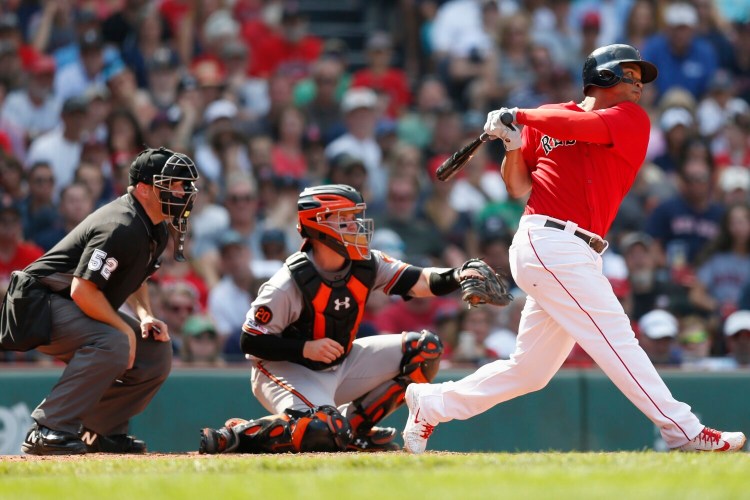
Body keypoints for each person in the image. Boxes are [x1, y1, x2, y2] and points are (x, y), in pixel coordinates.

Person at [401, 44, 746, 454]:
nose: (639, 85)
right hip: (547, 239)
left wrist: (521, 116)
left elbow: (583, 127)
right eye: (629, 75)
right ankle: (682, 429)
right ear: (600, 77)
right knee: (617, 337)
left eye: (640, 78)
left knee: (531, 371)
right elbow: (517, 187)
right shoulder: (550, 118)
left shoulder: (628, 119)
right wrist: (512, 143)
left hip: (577, 249)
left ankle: (432, 404)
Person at [198, 184, 482, 454]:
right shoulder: (288, 282)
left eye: (354, 218)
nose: (356, 226)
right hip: (286, 369)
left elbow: (418, 279)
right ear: (320, 224)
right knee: (323, 430)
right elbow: (250, 339)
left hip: (340, 361)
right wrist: (305, 348)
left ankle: (356, 431)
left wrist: (459, 275)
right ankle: (240, 434)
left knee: (425, 350)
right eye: (345, 219)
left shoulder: (367, 263)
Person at [0, 147, 199, 455]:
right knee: (115, 340)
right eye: (172, 184)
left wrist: (145, 316)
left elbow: (136, 279)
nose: (182, 191)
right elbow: (82, 289)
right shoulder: (121, 225)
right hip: (36, 305)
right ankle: (48, 428)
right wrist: (122, 328)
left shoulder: (155, 227)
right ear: (145, 189)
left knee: (156, 352)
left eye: (183, 185)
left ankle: (101, 430)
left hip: (64, 304)